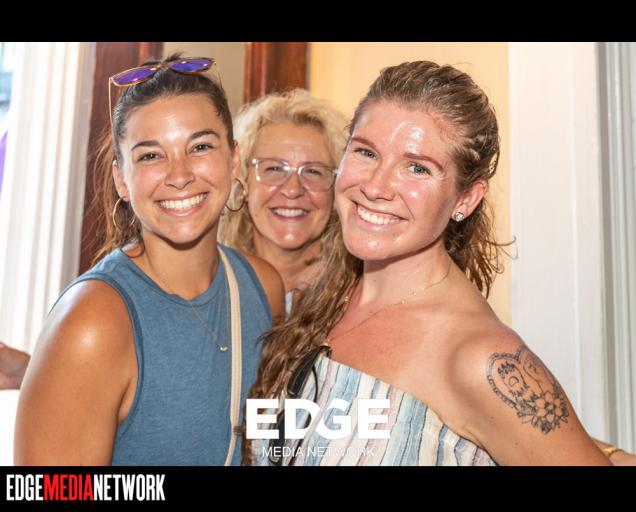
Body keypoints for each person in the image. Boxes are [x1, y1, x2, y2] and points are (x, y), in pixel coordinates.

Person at [246, 61, 616, 466]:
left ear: (466, 199)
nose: (375, 186)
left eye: (417, 167)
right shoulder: (325, 297)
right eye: (366, 152)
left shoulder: (479, 359)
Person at [13, 54, 285, 465]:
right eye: (151, 156)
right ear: (121, 179)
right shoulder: (92, 323)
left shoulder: (262, 287)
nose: (180, 175)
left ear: (233, 159)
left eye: (200, 147)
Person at [218, 88, 348, 314]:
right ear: (243, 180)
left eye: (314, 171)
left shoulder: (355, 298)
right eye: (274, 169)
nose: (293, 190)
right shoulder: (210, 285)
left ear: (337, 189)